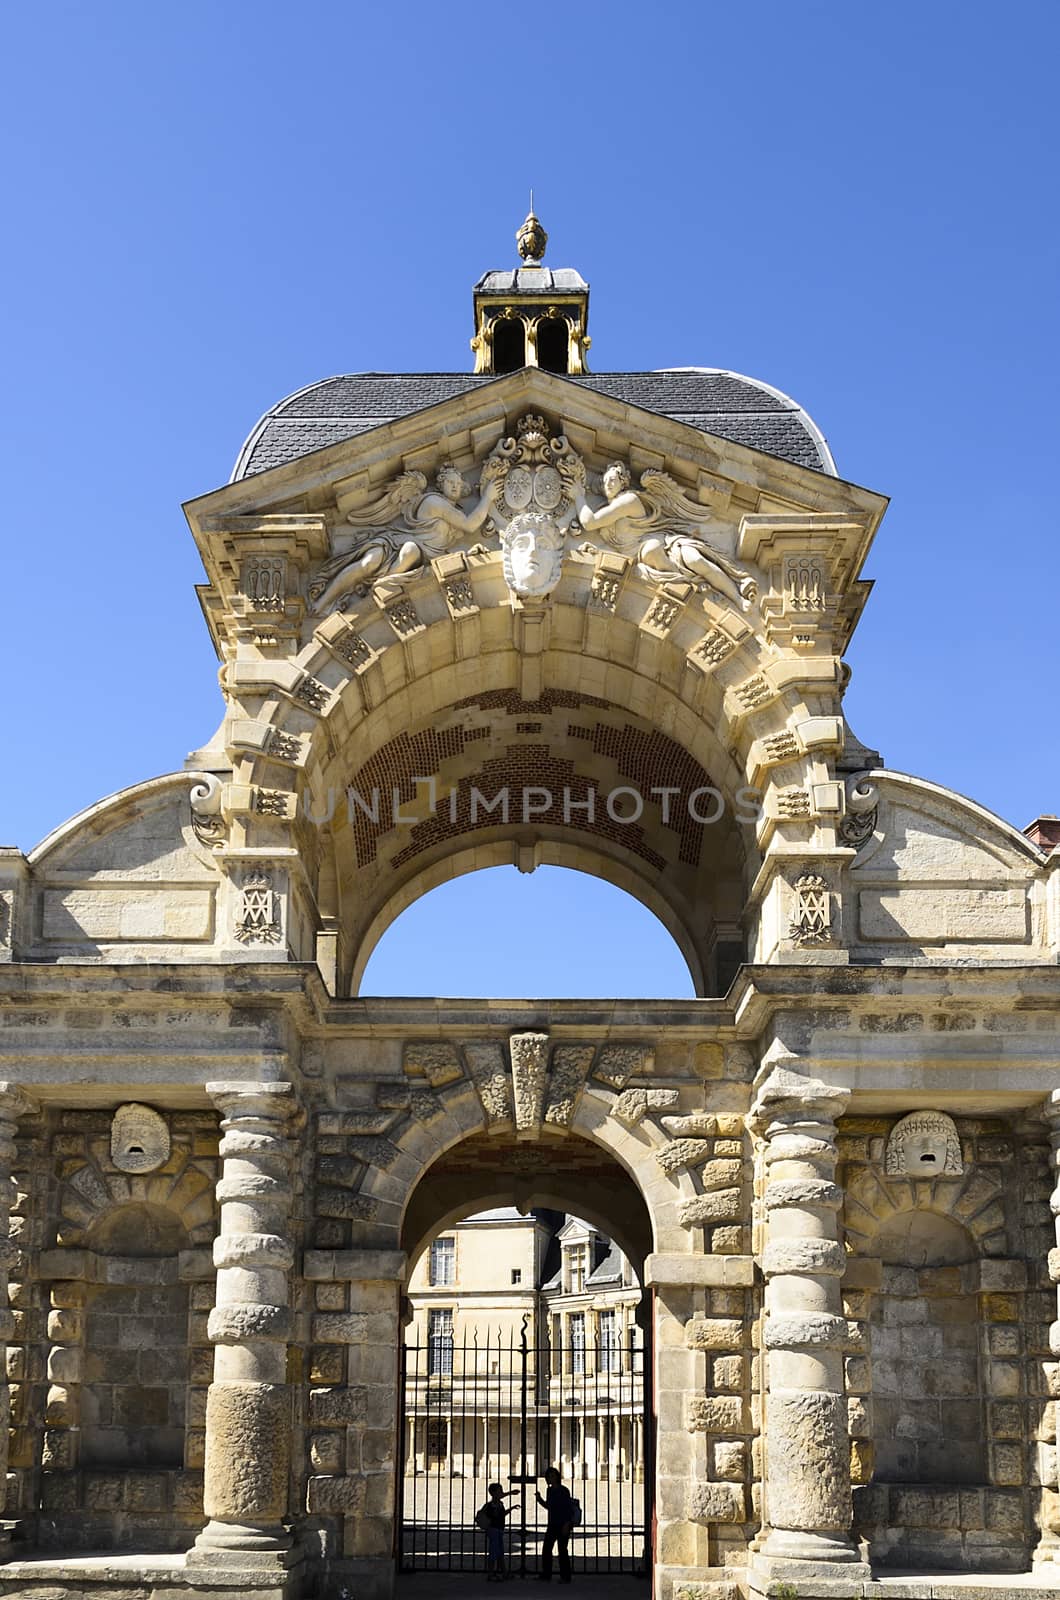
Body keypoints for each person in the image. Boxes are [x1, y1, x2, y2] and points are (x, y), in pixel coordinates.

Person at [535, 1466, 573, 1584]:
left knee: (562, 1551)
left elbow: (568, 1508)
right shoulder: (549, 1491)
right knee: (546, 1549)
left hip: (563, 1524)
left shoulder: (564, 1490)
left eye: (552, 1476)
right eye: (548, 1476)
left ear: (557, 1477)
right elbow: (549, 1507)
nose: (550, 1478)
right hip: (552, 1524)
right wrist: (540, 1499)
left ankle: (565, 1576)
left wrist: (567, 1524)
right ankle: (547, 1574)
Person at [482, 1481, 508, 1582]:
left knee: (500, 1552)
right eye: (499, 1491)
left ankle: (503, 1572)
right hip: (493, 1530)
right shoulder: (490, 1505)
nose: (501, 1493)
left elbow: (502, 1515)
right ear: (493, 1493)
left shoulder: (500, 1504)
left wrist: (512, 1508)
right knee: (494, 1552)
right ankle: (491, 1574)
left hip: (499, 1530)